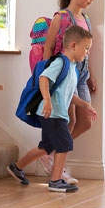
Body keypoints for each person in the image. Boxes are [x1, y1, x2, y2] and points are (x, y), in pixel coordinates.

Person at [7, 26, 97, 192]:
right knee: (65, 143)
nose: (87, 52)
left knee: (46, 147)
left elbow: (69, 95)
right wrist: (47, 100)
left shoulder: (72, 68)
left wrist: (86, 105)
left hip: (56, 112)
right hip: (52, 113)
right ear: (73, 46)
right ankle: (56, 181)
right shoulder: (60, 62)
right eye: (86, 48)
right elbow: (43, 78)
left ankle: (17, 167)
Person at [38, 0, 98, 184]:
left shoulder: (86, 19)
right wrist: (46, 74)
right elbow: (48, 46)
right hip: (64, 76)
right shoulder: (60, 17)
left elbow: (85, 49)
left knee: (85, 122)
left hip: (81, 77)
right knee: (70, 120)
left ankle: (52, 156)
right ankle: (56, 164)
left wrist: (89, 76)